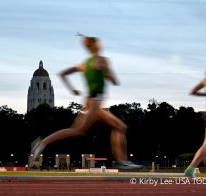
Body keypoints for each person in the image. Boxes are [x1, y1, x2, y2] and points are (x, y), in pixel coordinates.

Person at [32, 35, 143, 170]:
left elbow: (63, 74)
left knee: (120, 127)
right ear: (96, 46)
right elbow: (114, 81)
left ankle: (122, 160)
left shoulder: (84, 64)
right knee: (78, 131)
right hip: (95, 102)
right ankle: (43, 142)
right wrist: (108, 73)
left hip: (92, 102)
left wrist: (72, 89)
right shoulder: (102, 60)